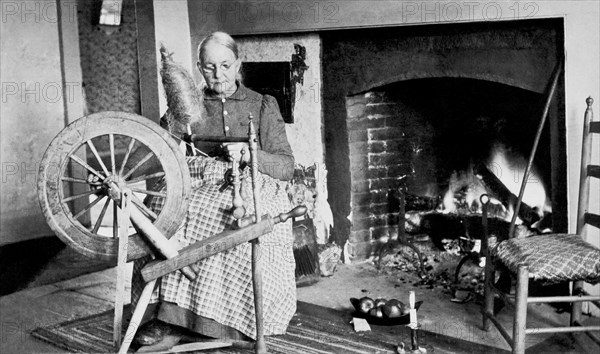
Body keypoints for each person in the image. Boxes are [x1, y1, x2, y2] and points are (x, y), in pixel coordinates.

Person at [131, 31, 296, 346]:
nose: (218, 75)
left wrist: (251, 154)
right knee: (166, 212)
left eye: (225, 65)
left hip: (250, 182)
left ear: (238, 65)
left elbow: (286, 167)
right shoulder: (189, 104)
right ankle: (168, 317)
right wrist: (176, 118)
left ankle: (230, 321)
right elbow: (160, 153)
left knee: (232, 216)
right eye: (209, 67)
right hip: (199, 180)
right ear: (198, 67)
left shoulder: (262, 105)